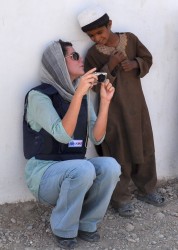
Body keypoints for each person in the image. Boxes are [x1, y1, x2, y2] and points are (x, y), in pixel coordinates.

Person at [23, 39, 121, 249]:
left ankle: (87, 224)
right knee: (83, 167)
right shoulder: (38, 96)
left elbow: (97, 138)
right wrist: (78, 94)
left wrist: (104, 102)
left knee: (111, 166)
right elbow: (62, 135)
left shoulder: (82, 96)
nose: (81, 59)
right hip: (43, 176)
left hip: (75, 170)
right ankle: (64, 228)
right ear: (59, 63)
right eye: (74, 56)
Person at [77, 6, 165, 217]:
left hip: (137, 107)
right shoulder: (92, 55)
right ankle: (120, 198)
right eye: (91, 35)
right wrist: (111, 65)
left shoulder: (130, 39)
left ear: (110, 25)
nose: (97, 38)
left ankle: (147, 189)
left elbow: (148, 58)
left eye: (100, 32)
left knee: (144, 146)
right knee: (118, 151)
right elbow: (95, 85)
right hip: (112, 111)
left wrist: (135, 63)